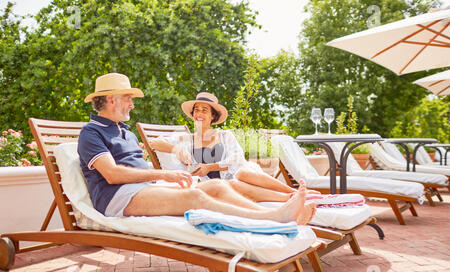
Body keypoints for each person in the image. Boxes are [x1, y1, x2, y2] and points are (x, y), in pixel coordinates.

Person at [77, 73, 316, 225]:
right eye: (128, 98)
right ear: (111, 100)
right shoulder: (92, 132)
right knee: (195, 196)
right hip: (117, 198)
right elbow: (113, 174)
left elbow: (138, 167)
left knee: (216, 184)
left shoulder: (125, 131)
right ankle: (272, 219)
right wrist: (164, 174)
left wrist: (167, 176)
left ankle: (283, 211)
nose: (132, 103)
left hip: (143, 189)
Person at [149, 92, 318, 202]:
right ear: (193, 114)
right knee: (234, 185)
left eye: (204, 110)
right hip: (220, 186)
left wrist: (210, 166)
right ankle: (291, 197)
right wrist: (176, 150)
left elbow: (237, 158)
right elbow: (154, 142)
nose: (199, 114)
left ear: (213, 116)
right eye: (196, 110)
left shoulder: (225, 135)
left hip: (241, 175)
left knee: (242, 173)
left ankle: (293, 192)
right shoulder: (185, 139)